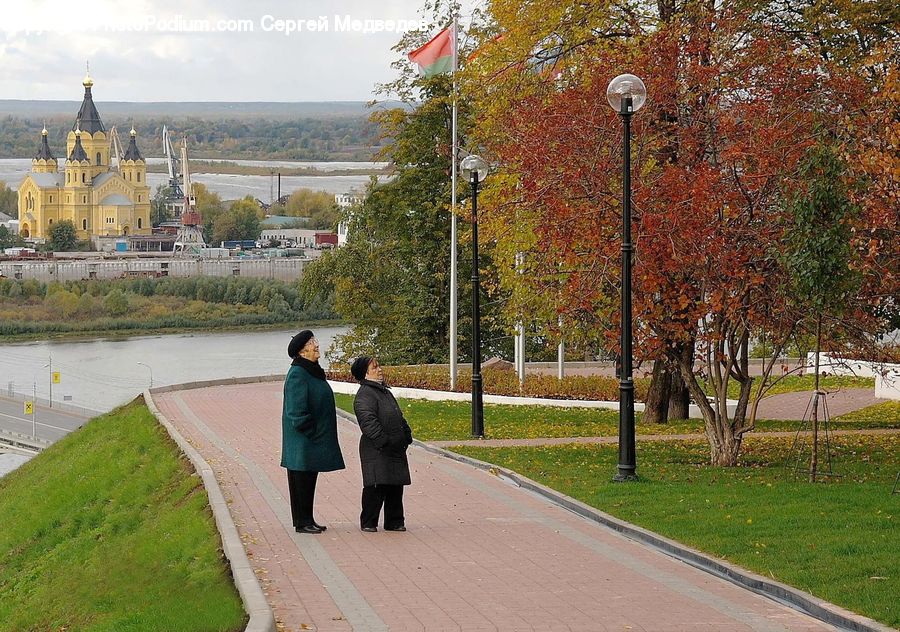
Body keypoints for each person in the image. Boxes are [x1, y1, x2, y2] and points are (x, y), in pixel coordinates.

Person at [281, 330, 345, 534]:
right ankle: (302, 522)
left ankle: (307, 519)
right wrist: (312, 431)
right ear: (302, 351)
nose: (317, 345)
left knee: (308, 481)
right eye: (311, 342)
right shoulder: (298, 373)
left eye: (315, 341)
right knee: (301, 481)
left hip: (310, 440)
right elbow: (296, 412)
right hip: (303, 441)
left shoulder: (310, 370)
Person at [350, 356, 413, 533]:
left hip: (395, 446)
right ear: (365, 373)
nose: (379, 369)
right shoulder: (365, 395)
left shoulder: (384, 391)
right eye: (374, 367)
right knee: (376, 485)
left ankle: (394, 521)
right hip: (377, 448)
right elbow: (368, 422)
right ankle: (369, 521)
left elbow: (397, 415)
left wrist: (406, 435)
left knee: (395, 485)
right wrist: (383, 440)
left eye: (378, 366)